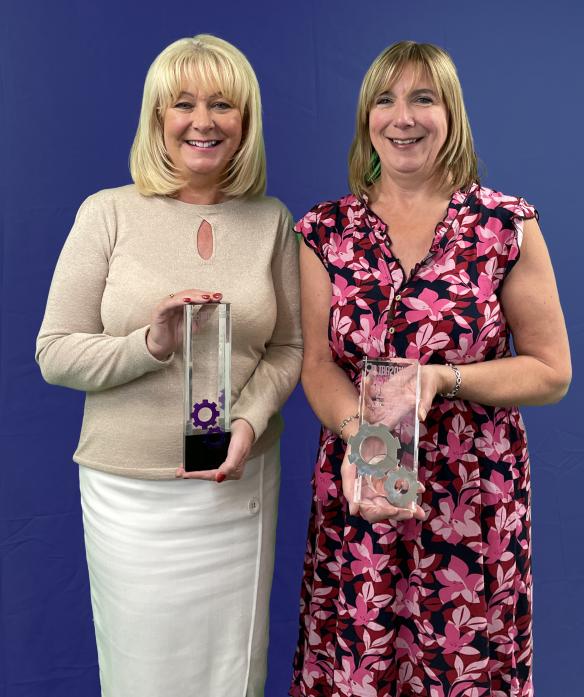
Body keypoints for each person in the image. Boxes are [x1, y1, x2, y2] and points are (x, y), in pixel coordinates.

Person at [290, 41, 570, 697]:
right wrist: (367, 436)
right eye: (384, 100)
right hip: (364, 492)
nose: (402, 117)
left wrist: (442, 378)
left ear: (452, 115)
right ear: (365, 119)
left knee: (462, 675)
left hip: (473, 506)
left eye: (423, 98)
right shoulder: (324, 230)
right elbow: (316, 365)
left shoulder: (505, 225)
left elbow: (551, 370)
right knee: (357, 666)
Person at [36, 34, 302, 697]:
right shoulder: (108, 214)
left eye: (222, 105)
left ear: (245, 121)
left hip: (235, 483)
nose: (202, 121)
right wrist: (147, 345)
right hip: (130, 494)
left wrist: (247, 419)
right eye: (182, 103)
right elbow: (55, 351)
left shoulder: (272, 221)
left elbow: (288, 348)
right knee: (142, 675)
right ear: (158, 118)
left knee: (231, 673)